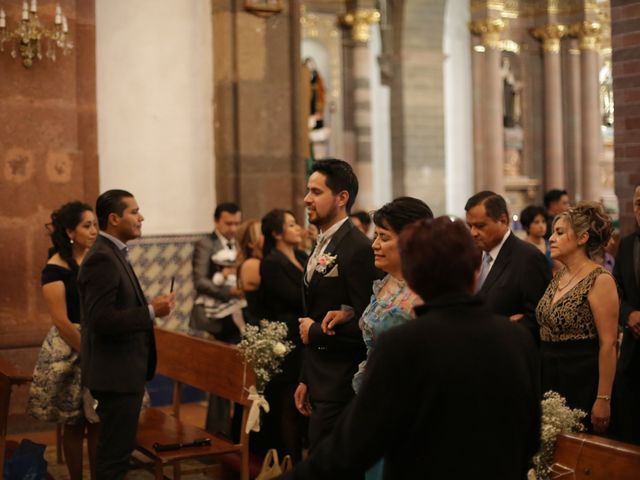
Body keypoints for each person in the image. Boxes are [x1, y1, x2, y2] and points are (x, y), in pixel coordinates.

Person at [278, 217, 541, 480]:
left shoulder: (403, 344)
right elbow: (530, 438)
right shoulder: (516, 338)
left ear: (413, 280)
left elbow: (350, 448)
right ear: (476, 271)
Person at [322, 196, 433, 480]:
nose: (374, 244)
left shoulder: (423, 295)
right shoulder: (385, 282)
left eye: (383, 237)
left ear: (410, 241)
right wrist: (349, 313)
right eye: (375, 236)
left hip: (403, 411)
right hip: (371, 400)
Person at [78, 190, 175, 480]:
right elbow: (101, 320)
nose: (141, 217)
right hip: (116, 376)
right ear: (114, 218)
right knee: (114, 459)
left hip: (123, 372)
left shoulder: (113, 253)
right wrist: (150, 311)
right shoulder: (102, 259)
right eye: (134, 211)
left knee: (117, 454)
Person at [295, 158, 382, 452]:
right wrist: (306, 377)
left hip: (342, 386)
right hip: (320, 378)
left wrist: (316, 333)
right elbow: (314, 312)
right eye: (308, 190)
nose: (307, 199)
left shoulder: (356, 248)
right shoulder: (322, 243)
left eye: (316, 192)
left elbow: (367, 326)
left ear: (342, 198)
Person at [27, 201, 100, 480]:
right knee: (74, 423)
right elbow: (60, 320)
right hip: (71, 348)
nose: (94, 230)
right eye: (87, 225)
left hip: (97, 342)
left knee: (97, 422)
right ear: (71, 231)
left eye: (95, 224)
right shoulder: (55, 268)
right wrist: (89, 353)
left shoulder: (95, 259)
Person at [536, 202, 618, 433]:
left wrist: (603, 398)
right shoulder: (559, 276)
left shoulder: (600, 279)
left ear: (582, 238)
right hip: (550, 375)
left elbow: (608, 343)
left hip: (582, 377)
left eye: (560, 233)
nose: (551, 238)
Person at [465, 191, 551, 343]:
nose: (473, 233)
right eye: (470, 226)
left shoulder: (528, 258)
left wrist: (508, 328)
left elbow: (541, 319)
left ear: (503, 220)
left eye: (480, 226)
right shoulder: (472, 255)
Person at [259, 209, 309, 461]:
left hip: (305, 337)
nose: (298, 227)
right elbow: (293, 297)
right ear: (277, 233)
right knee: (289, 403)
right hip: (287, 340)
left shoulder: (302, 255)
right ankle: (291, 462)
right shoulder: (271, 263)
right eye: (291, 225)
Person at [611, 185, 640, 444]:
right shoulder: (628, 244)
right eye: (638, 203)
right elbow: (616, 290)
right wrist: (628, 314)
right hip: (634, 354)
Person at [191, 202, 244, 342]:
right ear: (216, 222)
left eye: (237, 223)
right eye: (228, 223)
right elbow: (200, 281)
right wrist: (229, 291)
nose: (233, 228)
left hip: (235, 310)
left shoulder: (239, 242)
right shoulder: (206, 243)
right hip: (211, 316)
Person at [237, 219, 265, 326]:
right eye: (262, 233)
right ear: (251, 243)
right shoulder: (251, 264)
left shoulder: (260, 261)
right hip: (260, 325)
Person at [520, 204, 556, 272]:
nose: (541, 226)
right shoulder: (521, 247)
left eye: (543, 221)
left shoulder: (550, 245)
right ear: (527, 226)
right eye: (536, 222)